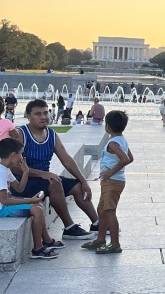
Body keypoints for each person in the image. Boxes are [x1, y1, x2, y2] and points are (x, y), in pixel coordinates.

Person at [9, 99, 98, 237]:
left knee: (78, 186)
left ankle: (97, 223)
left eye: (45, 113)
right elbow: (13, 167)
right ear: (28, 116)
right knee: (54, 182)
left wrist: (84, 181)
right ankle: (69, 227)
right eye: (38, 114)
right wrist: (42, 174)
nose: (43, 117)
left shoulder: (51, 134)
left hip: (43, 180)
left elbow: (66, 160)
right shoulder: (21, 134)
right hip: (22, 183)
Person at [82, 110, 134, 254]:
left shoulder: (113, 143)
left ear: (108, 127)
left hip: (112, 181)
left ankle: (115, 243)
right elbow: (130, 158)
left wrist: (110, 172)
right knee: (102, 210)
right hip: (110, 181)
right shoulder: (122, 140)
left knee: (110, 211)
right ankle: (100, 239)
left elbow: (125, 159)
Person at [0, 138, 60, 258]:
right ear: (13, 155)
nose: (22, 158)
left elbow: (19, 188)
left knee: (38, 205)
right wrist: (31, 200)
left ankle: (46, 240)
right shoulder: (1, 172)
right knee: (37, 209)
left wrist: (26, 172)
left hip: (4, 205)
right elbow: (4, 200)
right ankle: (38, 248)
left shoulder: (6, 169)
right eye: (21, 154)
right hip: (2, 209)